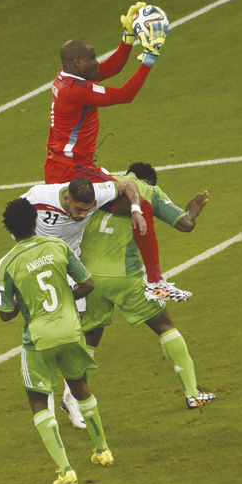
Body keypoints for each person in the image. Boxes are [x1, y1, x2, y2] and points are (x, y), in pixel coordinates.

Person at [42, 6, 187, 301]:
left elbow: (110, 69)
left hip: (60, 165)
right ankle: (155, 282)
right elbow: (125, 94)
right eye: (93, 57)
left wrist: (128, 38)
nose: (98, 61)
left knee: (81, 231)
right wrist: (149, 58)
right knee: (141, 207)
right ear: (78, 61)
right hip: (73, 170)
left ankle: (135, 280)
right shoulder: (75, 91)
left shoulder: (68, 77)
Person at [0, 198, 114, 484]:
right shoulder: (58, 247)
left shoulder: (7, 263)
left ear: (10, 232)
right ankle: (103, 451)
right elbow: (87, 284)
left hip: (39, 338)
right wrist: (65, 295)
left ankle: (65, 470)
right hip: (72, 330)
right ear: (36, 223)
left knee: (37, 400)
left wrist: (20, 301)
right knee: (79, 386)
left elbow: (4, 313)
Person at [79, 164, 215, 409]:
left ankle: (76, 400)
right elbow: (185, 224)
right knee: (164, 325)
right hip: (126, 276)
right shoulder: (148, 190)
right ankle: (193, 394)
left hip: (87, 277)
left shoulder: (105, 183)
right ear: (149, 181)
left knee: (90, 336)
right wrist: (192, 211)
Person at [20, 176, 145, 428]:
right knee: (42, 336)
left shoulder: (96, 193)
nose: (83, 215)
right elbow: (14, 214)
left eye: (88, 210)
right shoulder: (38, 197)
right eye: (79, 209)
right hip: (39, 267)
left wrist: (135, 209)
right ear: (66, 198)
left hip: (69, 265)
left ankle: (70, 397)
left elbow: (127, 186)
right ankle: (48, 406)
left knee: (74, 334)